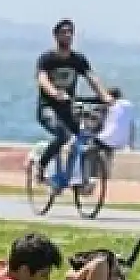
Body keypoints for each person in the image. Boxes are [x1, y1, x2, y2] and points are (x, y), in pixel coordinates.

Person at [34, 19, 113, 186]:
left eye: (70, 32)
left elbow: (92, 78)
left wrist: (105, 96)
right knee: (63, 135)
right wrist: (55, 93)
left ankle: (79, 179)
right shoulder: (47, 58)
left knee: (83, 138)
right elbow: (42, 79)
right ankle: (41, 166)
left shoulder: (77, 59)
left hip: (67, 108)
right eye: (64, 32)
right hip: (48, 108)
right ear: (56, 36)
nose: (68, 35)